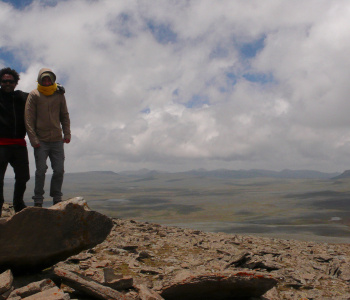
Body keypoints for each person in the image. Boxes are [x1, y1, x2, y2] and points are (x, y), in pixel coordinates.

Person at [25, 68, 71, 207]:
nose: (46, 81)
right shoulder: (34, 95)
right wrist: (34, 140)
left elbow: (64, 115)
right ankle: (38, 199)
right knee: (40, 170)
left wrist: (67, 133)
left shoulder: (59, 94)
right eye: (44, 79)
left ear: (53, 80)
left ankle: (57, 197)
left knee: (59, 170)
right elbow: (28, 118)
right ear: (39, 80)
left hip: (57, 139)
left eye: (48, 79)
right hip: (41, 140)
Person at [0, 68, 30, 216]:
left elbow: (41, 95)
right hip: (1, 144)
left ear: (15, 83)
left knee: (23, 176)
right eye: (4, 81)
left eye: (10, 81)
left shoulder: (23, 97)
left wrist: (57, 89)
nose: (7, 83)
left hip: (19, 144)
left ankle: (18, 204)